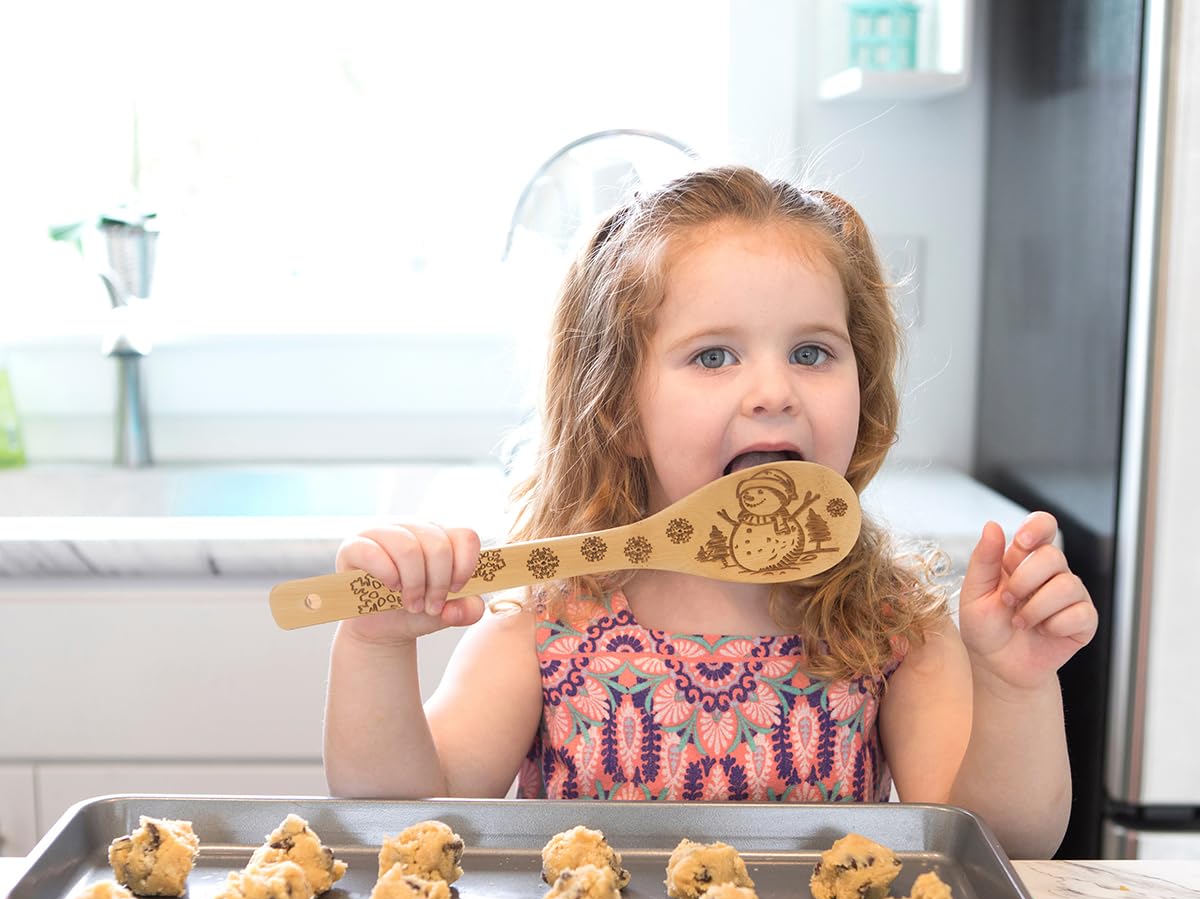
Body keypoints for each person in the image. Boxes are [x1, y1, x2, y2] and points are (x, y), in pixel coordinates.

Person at [324, 166, 1097, 860]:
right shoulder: (542, 626)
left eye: (812, 352)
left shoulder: (891, 630)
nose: (773, 390)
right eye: (714, 356)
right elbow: (402, 822)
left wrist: (1015, 690)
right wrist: (375, 648)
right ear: (620, 412)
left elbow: (1001, 846)